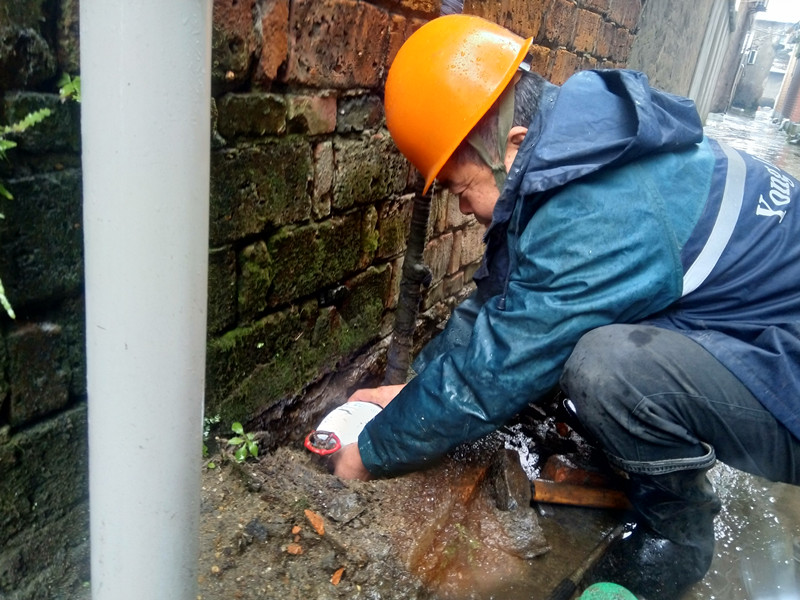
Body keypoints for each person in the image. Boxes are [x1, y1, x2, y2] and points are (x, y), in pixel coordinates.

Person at [332, 14, 800, 600]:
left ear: (513, 144)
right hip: (764, 326)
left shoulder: (595, 212)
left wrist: (370, 453)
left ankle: (674, 536)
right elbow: (505, 299)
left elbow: (500, 368)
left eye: (460, 189)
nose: (465, 210)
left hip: (789, 372)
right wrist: (415, 386)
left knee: (604, 368)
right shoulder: (577, 144)